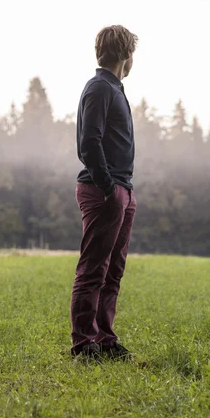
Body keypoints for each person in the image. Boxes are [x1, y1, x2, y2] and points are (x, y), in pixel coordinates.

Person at [70, 25, 138, 361]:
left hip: (121, 191)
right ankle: (84, 344)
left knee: (113, 271)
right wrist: (109, 188)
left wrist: (123, 191)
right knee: (93, 269)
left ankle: (105, 340)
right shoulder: (99, 87)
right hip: (103, 191)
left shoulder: (114, 88)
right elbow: (88, 144)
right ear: (127, 55)